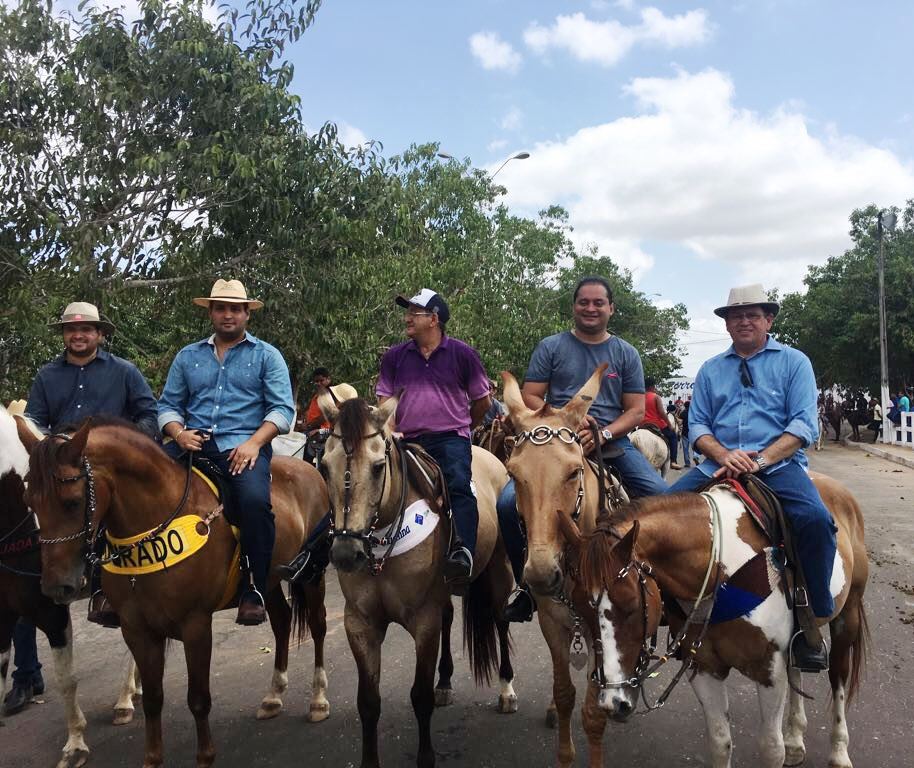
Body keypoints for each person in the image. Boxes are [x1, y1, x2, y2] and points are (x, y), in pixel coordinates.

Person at [667, 284, 836, 672]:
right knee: (655, 516)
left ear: (768, 320)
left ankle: (815, 622)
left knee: (814, 520)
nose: (744, 321)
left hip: (777, 466)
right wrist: (724, 454)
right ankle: (668, 613)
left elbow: (802, 425)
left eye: (753, 314)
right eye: (735, 316)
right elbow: (698, 426)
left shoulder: (795, 363)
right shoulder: (710, 370)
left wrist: (759, 460)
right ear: (726, 325)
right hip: (717, 464)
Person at [7, 302, 157, 716]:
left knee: (119, 543)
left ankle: (110, 598)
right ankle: (25, 673)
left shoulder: (124, 371)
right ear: (64, 335)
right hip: (61, 476)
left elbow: (149, 416)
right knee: (23, 562)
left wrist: (117, 445)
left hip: (108, 476)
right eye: (73, 330)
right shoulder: (46, 375)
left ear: (100, 334)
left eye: (87, 330)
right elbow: (34, 422)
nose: (80, 336)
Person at [502, 275, 668, 623]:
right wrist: (562, 421)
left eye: (598, 303)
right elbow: (532, 394)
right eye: (583, 302)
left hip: (611, 444)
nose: (590, 308)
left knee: (660, 498)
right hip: (554, 444)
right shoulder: (551, 347)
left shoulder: (626, 353)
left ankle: (664, 587)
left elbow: (636, 410)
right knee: (506, 504)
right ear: (574, 307)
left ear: (611, 308)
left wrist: (604, 434)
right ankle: (525, 587)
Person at [158, 279, 294, 626]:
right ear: (211, 313)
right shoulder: (188, 356)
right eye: (221, 308)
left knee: (254, 502)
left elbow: (282, 410)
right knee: (137, 488)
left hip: (243, 446)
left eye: (235, 308)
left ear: (247, 313)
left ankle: (254, 588)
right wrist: (178, 432)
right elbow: (169, 406)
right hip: (192, 443)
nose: (228, 314)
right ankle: (114, 583)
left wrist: (254, 443)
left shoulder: (267, 355)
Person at [371, 289, 492, 584]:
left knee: (459, 486)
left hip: (449, 439)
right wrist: (390, 431)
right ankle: (319, 550)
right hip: (404, 438)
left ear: (434, 319)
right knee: (361, 477)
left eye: (415, 312)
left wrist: (462, 429)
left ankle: (463, 550)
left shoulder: (463, 354)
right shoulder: (395, 357)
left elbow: (483, 401)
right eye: (408, 312)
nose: (407, 318)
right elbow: (384, 400)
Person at [643, 378, 682, 470]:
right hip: (657, 425)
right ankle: (673, 461)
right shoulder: (656, 397)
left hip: (642, 425)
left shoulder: (640, 397)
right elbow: (661, 413)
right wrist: (669, 424)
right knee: (673, 437)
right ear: (653, 386)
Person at [679, 398, 692, 468]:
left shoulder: (683, 413)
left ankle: (687, 463)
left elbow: (680, 422)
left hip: (685, 432)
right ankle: (697, 457)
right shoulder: (693, 412)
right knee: (696, 447)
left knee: (685, 448)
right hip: (693, 432)